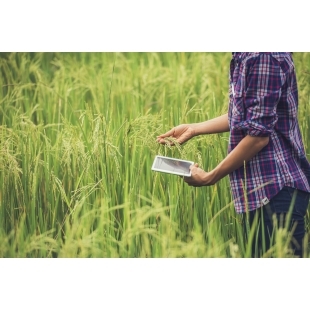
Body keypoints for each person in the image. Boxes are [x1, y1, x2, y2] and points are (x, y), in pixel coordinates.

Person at [156, 52, 310, 258]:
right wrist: (193, 128)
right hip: (259, 192)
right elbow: (245, 115)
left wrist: (210, 176)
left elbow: (258, 136)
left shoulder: (263, 55)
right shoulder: (244, 54)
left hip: (276, 191)